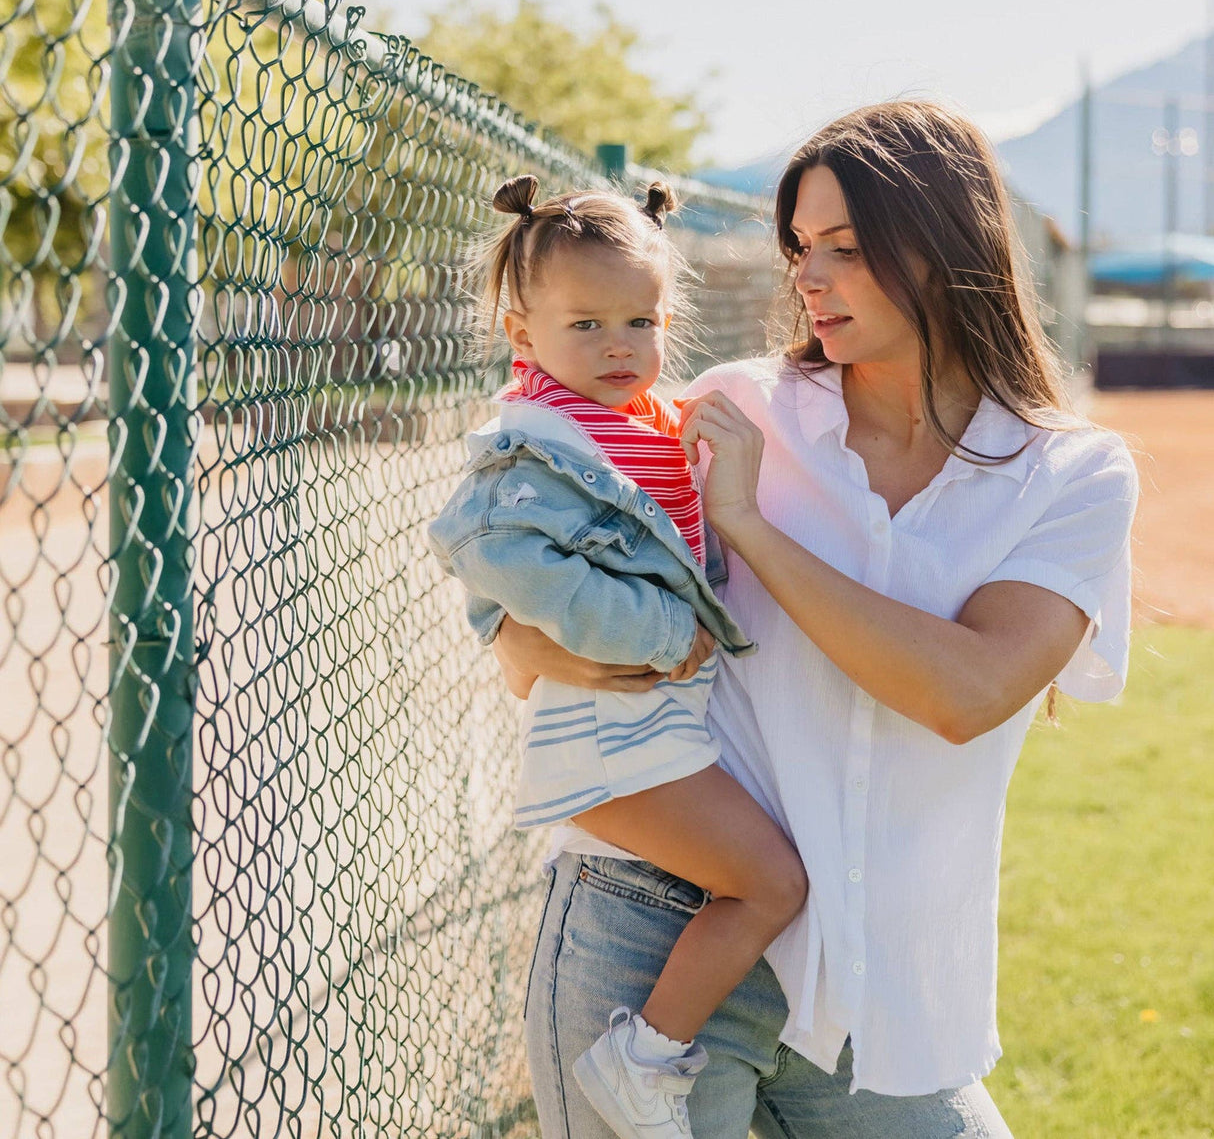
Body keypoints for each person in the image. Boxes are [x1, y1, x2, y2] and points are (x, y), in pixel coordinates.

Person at [494, 101, 1139, 1138]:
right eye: (797, 246)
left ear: (942, 244)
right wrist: (523, 637)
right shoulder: (726, 407)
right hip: (653, 931)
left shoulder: (1068, 472)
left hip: (877, 976)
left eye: (842, 247)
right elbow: (549, 602)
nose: (806, 275)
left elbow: (965, 690)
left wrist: (746, 522)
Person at [426, 175, 809, 1139]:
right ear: (523, 335)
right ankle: (641, 1063)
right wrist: (659, 635)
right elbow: (485, 546)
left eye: (637, 323)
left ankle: (648, 1056)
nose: (616, 346)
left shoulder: (647, 423)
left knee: (763, 880)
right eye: (585, 324)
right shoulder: (535, 440)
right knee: (770, 883)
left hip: (646, 723)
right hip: (608, 732)